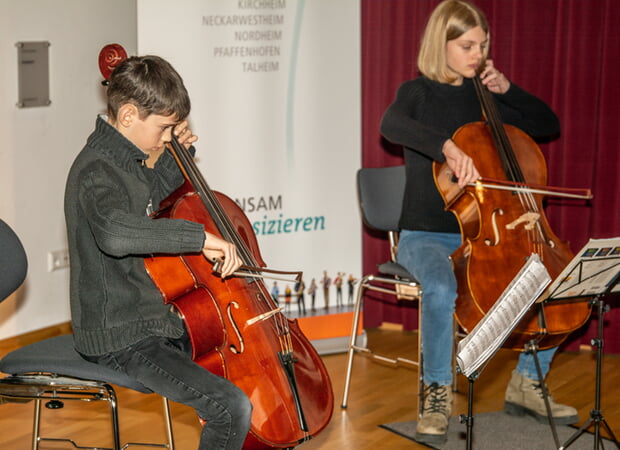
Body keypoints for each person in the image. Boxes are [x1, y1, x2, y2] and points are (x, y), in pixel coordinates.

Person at [380, 1, 577, 446]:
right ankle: (436, 393)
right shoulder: (418, 93)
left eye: (483, 45)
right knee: (442, 287)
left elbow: (548, 123)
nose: (478, 54)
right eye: (467, 45)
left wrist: (509, 90)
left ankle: (527, 381)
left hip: (493, 234)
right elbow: (390, 124)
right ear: (441, 44)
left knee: (557, 281)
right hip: (425, 235)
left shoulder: (488, 97)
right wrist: (446, 146)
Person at [64, 55, 252, 450]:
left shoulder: (124, 162)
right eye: (164, 127)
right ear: (129, 114)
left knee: (240, 365)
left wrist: (172, 158)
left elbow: (148, 200)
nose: (167, 137)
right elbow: (116, 233)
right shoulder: (95, 170)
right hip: (119, 336)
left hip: (149, 320)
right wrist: (199, 238)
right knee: (229, 406)